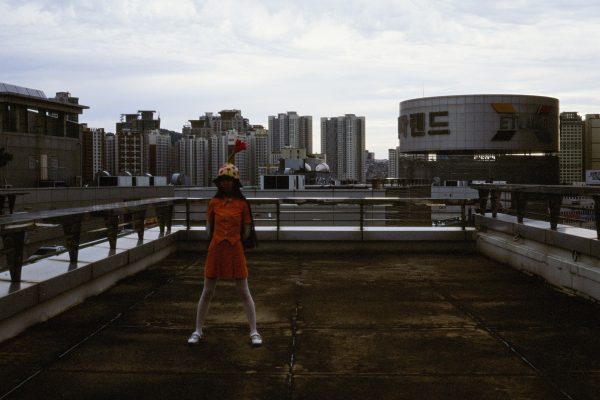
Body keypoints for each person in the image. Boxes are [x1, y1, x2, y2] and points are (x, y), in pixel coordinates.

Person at [188, 163, 262, 347]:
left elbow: (247, 229)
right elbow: (208, 228)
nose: (226, 183)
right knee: (207, 291)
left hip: (235, 248)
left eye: (229, 180)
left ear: (235, 182)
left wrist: (237, 241)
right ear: (219, 183)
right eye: (223, 180)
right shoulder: (213, 203)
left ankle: (254, 331)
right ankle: (197, 330)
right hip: (216, 248)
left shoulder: (242, 204)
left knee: (244, 291)